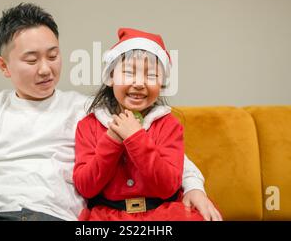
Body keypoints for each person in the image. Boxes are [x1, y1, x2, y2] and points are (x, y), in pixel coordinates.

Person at [0, 3, 221, 221]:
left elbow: (156, 144)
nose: (46, 69)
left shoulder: (88, 110)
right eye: (31, 60)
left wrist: (194, 187)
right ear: (4, 66)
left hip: (56, 216)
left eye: (53, 56)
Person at [73, 28, 220, 220]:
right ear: (110, 77)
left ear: (162, 84)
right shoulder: (89, 126)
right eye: (128, 73)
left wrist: (136, 138)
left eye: (151, 76)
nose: (140, 83)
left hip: (163, 213)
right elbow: (86, 187)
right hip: (108, 215)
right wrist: (112, 139)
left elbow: (168, 186)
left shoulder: (169, 125)